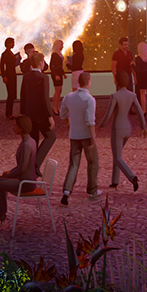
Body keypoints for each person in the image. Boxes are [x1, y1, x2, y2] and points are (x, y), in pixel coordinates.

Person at [0, 115, 41, 227]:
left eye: (15, 126)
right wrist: (9, 173)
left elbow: (22, 168)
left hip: (26, 183)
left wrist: (10, 174)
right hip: (26, 179)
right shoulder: (31, 141)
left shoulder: (26, 145)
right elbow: (22, 166)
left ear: (21, 128)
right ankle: (1, 212)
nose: (14, 128)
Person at [60, 70, 101, 205]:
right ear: (89, 83)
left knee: (73, 164)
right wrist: (93, 137)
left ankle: (66, 191)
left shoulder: (69, 97)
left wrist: (68, 124)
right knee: (93, 163)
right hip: (86, 135)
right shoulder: (90, 99)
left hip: (74, 135)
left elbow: (62, 114)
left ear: (78, 82)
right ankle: (92, 190)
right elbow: (90, 121)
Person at [106, 75, 146, 190]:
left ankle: (132, 177)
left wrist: (101, 124)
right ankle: (115, 180)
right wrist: (143, 127)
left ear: (116, 81)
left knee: (117, 157)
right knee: (117, 154)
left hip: (117, 129)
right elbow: (139, 111)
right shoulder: (132, 95)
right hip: (128, 128)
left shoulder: (115, 96)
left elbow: (109, 114)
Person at [20, 53, 52, 150]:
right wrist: (50, 116)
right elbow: (45, 98)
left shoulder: (26, 76)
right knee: (51, 137)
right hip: (41, 115)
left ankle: (32, 162)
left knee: (33, 140)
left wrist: (22, 113)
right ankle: (37, 161)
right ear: (41, 62)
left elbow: (23, 96)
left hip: (29, 112)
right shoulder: (44, 77)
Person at [0, 38, 21, 119]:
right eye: (12, 43)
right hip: (9, 75)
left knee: (12, 94)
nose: (14, 44)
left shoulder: (10, 53)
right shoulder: (5, 54)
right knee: (10, 94)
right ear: (8, 44)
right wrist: (4, 76)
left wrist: (18, 60)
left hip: (13, 74)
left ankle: (10, 113)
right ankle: (8, 113)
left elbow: (13, 65)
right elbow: (2, 66)